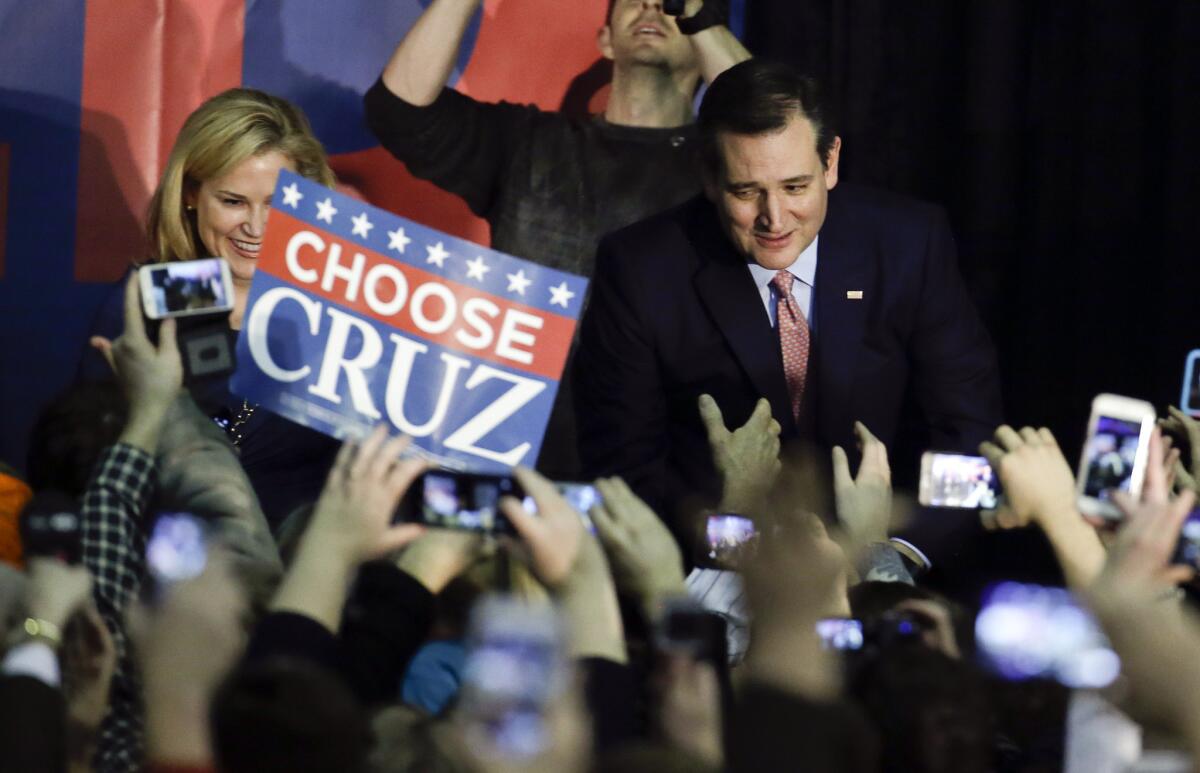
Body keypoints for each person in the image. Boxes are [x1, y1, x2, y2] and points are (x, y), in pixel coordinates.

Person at [573, 58, 1003, 543]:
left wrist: (900, 558)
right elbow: (624, 473)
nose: (774, 219)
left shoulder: (908, 244)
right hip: (721, 579)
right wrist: (731, 544)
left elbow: (969, 430)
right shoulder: (641, 270)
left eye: (795, 187)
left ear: (831, 162)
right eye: (746, 191)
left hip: (891, 562)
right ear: (709, 178)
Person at [363, 0, 751, 478]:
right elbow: (398, 110)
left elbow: (778, 128)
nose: (652, 3)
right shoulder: (530, 143)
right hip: (517, 463)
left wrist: (697, 15)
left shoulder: (734, 180)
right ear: (604, 38)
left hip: (663, 472)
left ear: (705, 41)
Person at [81, 88, 341, 529]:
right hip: (173, 576)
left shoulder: (338, 313)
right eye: (234, 201)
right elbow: (85, 458)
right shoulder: (150, 303)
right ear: (190, 194)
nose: (256, 227)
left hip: (303, 575)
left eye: (277, 204)